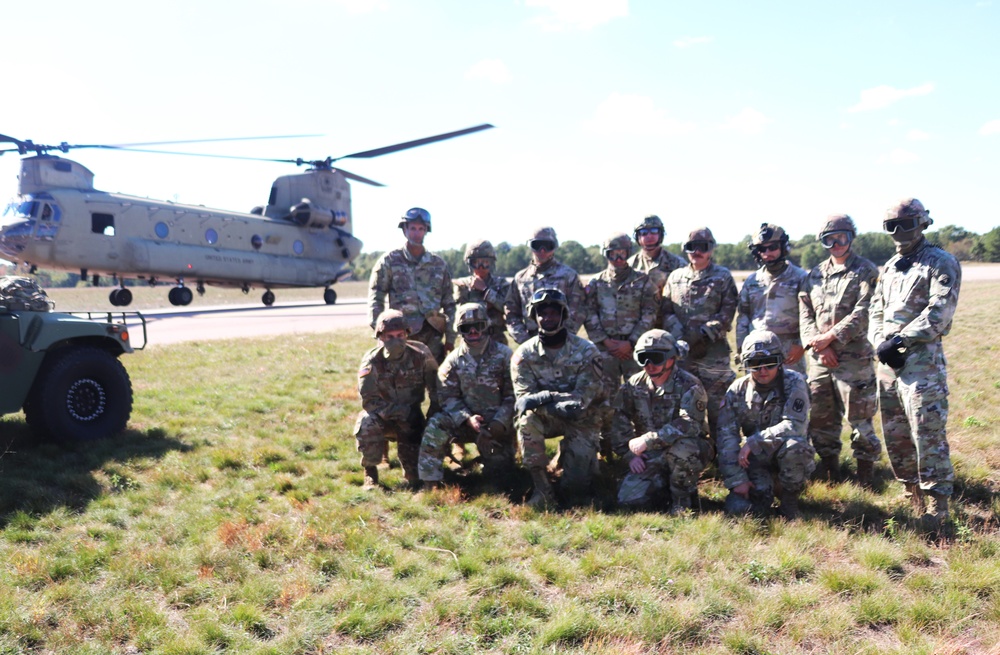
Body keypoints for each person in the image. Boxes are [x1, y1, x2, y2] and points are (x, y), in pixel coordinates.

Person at [869, 198, 961, 530]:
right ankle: (911, 493)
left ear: (922, 224)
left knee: (927, 433)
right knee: (896, 433)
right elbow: (875, 310)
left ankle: (938, 504)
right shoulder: (891, 267)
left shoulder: (941, 262)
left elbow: (940, 312)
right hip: (889, 366)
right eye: (891, 226)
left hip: (922, 365)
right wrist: (879, 344)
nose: (898, 232)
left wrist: (901, 340)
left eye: (905, 224)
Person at [799, 214, 882, 485]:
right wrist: (819, 345)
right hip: (820, 359)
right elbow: (805, 313)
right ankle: (830, 470)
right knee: (821, 418)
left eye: (842, 238)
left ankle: (866, 477)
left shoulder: (866, 271)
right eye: (830, 240)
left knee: (860, 418)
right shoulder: (814, 275)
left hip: (854, 358)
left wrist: (832, 337)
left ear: (851, 238)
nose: (836, 244)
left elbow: (865, 310)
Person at [511, 288, 605, 507]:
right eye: (542, 313)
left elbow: (581, 402)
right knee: (526, 421)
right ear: (535, 317)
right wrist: (557, 402)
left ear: (563, 315)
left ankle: (572, 457)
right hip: (546, 419)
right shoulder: (523, 355)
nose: (548, 317)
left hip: (583, 418)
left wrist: (544, 397)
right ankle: (542, 489)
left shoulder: (587, 351)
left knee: (576, 488)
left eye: (554, 312)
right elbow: (524, 401)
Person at [718, 329, 816, 519]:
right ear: (746, 365)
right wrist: (737, 480)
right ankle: (767, 490)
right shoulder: (737, 391)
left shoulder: (794, 382)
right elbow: (725, 438)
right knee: (746, 510)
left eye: (769, 364)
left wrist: (754, 441)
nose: (763, 371)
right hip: (755, 460)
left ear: (780, 362)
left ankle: (789, 503)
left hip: (785, 454)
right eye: (755, 365)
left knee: (796, 447)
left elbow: (796, 425)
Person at [418, 303, 516, 489]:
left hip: (499, 424)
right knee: (436, 424)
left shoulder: (505, 356)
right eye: (466, 328)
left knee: (502, 479)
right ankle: (429, 483)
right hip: (465, 423)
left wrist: (498, 423)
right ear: (459, 330)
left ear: (486, 325)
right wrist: (467, 419)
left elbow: (514, 395)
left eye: (478, 326)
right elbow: (448, 398)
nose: (473, 332)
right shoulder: (452, 362)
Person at [612, 329, 710, 513]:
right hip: (651, 453)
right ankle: (665, 487)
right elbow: (620, 420)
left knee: (682, 451)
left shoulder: (690, 385)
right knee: (628, 499)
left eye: (656, 358)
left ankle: (683, 502)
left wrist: (648, 440)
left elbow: (690, 424)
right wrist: (630, 455)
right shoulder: (633, 385)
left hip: (689, 448)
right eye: (643, 358)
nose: (649, 365)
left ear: (672, 358)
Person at [661, 227, 738, 450]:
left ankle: (723, 454)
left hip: (713, 355)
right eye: (691, 247)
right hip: (683, 354)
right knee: (685, 406)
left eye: (702, 247)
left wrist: (704, 334)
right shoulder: (675, 277)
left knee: (718, 408)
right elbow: (666, 310)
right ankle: (691, 453)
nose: (696, 252)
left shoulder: (722, 276)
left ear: (711, 249)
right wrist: (681, 336)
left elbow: (728, 310)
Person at [584, 232, 659, 452]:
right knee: (605, 398)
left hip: (635, 350)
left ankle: (645, 444)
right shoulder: (596, 283)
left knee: (642, 396)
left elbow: (650, 312)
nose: (617, 258)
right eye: (612, 254)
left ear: (628, 253)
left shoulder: (642, 280)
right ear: (605, 255)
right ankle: (607, 445)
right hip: (606, 351)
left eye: (622, 253)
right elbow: (589, 315)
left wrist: (632, 341)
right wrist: (606, 342)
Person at [354, 309, 439, 488]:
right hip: (382, 417)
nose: (396, 341)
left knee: (414, 479)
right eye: (389, 336)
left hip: (411, 418)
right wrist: (397, 412)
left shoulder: (421, 355)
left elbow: (436, 389)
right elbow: (368, 401)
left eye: (400, 335)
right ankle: (370, 471)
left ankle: (411, 470)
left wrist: (433, 416)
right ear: (381, 337)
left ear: (407, 334)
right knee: (366, 422)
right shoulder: (371, 361)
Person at [367, 207, 456, 361]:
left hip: (433, 335)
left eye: (421, 229)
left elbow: (449, 303)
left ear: (426, 231)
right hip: (400, 334)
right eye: (413, 228)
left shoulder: (438, 264)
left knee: (434, 380)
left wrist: (450, 336)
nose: (417, 233)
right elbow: (376, 297)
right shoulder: (389, 261)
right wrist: (380, 331)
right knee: (402, 381)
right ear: (405, 230)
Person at [736, 223, 808, 374]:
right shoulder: (752, 281)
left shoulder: (800, 278)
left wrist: (801, 345)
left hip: (789, 351)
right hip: (757, 349)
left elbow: (809, 316)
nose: (768, 252)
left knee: (792, 391)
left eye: (773, 247)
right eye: (762, 248)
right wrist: (742, 348)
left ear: (783, 247)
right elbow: (743, 317)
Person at [505, 227, 586, 345]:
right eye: (537, 245)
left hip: (563, 343)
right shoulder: (520, 279)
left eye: (548, 246)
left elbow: (578, 311)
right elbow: (511, 313)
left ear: (555, 246)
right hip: (531, 343)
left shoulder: (569, 276)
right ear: (530, 246)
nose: (542, 250)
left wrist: (564, 340)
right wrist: (526, 341)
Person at [628, 214, 687, 327]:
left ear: (661, 234)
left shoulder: (677, 264)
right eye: (644, 232)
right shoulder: (630, 265)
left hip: (670, 324)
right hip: (639, 326)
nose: (649, 236)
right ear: (637, 237)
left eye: (654, 231)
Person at [452, 240, 511, 347]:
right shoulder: (462, 285)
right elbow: (458, 315)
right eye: (476, 262)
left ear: (491, 263)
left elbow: (507, 308)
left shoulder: (501, 284)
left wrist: (485, 290)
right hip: (470, 340)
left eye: (485, 262)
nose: (480, 267)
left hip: (496, 339)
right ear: (470, 264)